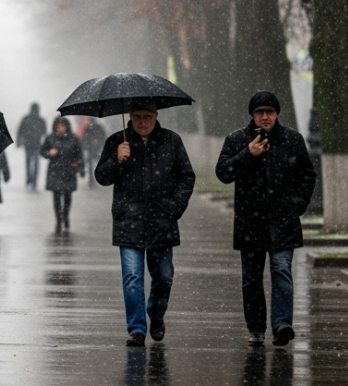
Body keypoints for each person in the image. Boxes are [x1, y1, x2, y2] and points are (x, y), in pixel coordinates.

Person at [214, 91, 316, 348]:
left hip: (284, 222)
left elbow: (308, 175)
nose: (264, 117)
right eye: (259, 112)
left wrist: (297, 205)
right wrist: (248, 154)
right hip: (250, 223)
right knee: (251, 278)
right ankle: (256, 328)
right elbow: (223, 173)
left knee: (281, 270)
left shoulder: (292, 140)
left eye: (269, 112)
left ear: (277, 114)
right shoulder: (237, 139)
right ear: (252, 115)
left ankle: (282, 325)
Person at [94, 102, 195, 347]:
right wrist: (117, 160)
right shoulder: (117, 141)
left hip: (162, 221)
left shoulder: (171, 141)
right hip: (128, 221)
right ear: (130, 117)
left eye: (147, 117)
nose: (142, 122)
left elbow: (186, 177)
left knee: (164, 276)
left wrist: (174, 208)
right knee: (132, 277)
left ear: (156, 116)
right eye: (137, 117)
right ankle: (137, 329)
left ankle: (156, 314)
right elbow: (101, 176)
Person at [40, 116, 84, 233]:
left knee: (68, 197)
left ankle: (66, 215)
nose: (60, 128)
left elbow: (79, 155)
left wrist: (80, 168)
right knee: (56, 197)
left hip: (69, 172)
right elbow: (42, 151)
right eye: (58, 126)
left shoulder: (73, 139)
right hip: (55, 172)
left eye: (62, 126)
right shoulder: (50, 138)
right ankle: (58, 219)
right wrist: (49, 153)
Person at [16, 103, 47, 190]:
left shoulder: (26, 119)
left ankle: (29, 180)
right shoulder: (41, 120)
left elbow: (20, 131)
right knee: (36, 164)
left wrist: (19, 142)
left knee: (28, 163)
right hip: (37, 145)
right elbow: (45, 133)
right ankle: (34, 182)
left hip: (28, 145)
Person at [81, 116, 107, 188]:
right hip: (93, 149)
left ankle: (93, 179)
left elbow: (84, 139)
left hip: (94, 148)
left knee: (93, 164)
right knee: (94, 164)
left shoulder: (91, 128)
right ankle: (93, 179)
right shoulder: (95, 128)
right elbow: (102, 137)